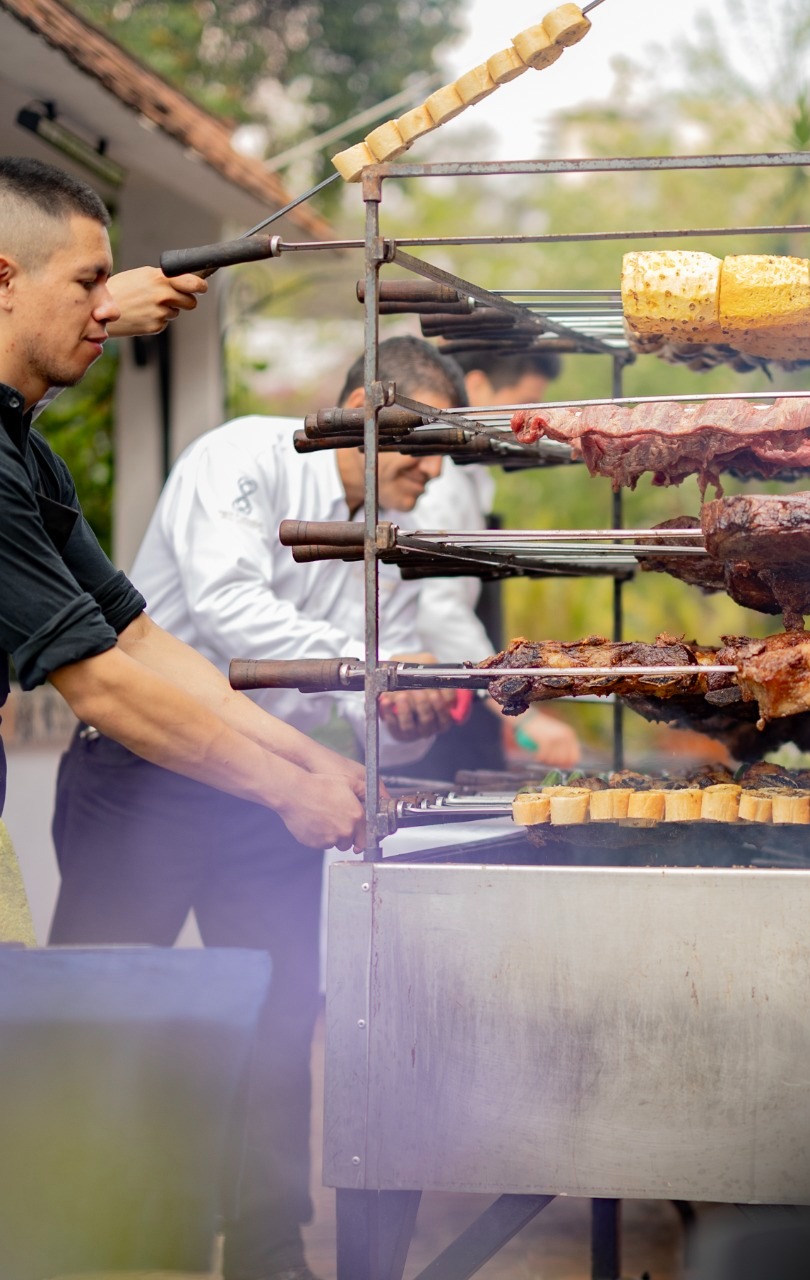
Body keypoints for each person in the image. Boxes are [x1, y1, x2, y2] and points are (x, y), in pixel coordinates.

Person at [49, 336, 467, 1280]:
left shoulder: (388, 553)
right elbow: (228, 610)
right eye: (420, 444)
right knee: (103, 1022)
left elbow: (376, 724)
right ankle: (78, 1246)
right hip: (141, 774)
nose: (434, 470)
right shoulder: (243, 457)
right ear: (362, 406)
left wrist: (405, 713)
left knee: (282, 1024)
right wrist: (368, 668)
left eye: (443, 452)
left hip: (270, 793)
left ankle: (270, 1255)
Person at [0, 154, 367, 847]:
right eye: (89, 282)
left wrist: (310, 756)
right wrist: (288, 791)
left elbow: (136, 637)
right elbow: (99, 681)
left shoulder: (29, 456)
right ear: (5, 280)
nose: (108, 304)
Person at [411, 349, 581, 774]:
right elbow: (439, 610)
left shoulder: (471, 479)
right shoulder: (441, 483)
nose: (534, 424)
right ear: (477, 387)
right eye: (526, 404)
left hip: (465, 694)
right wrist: (525, 713)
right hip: (433, 704)